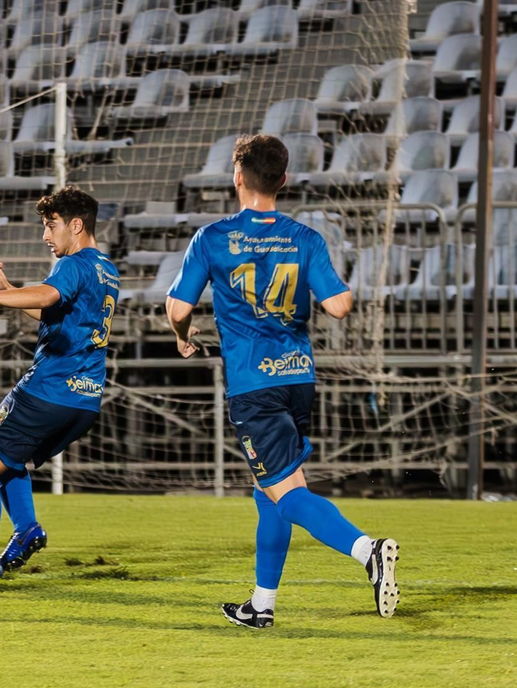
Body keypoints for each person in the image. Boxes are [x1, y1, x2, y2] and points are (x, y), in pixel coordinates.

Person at [165, 134, 400, 628]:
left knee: (285, 491)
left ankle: (368, 550)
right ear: (283, 180)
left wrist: (185, 337)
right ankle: (261, 604)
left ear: (237, 178)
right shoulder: (305, 237)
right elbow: (338, 305)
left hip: (253, 383)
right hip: (298, 378)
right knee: (268, 488)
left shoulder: (212, 238)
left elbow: (179, 307)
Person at [0, 186, 118, 576]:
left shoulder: (72, 265)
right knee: (12, 460)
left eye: (50, 225)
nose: (45, 235)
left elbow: (48, 294)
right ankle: (25, 531)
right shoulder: (107, 269)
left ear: (76, 225)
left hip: (49, 388)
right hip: (85, 401)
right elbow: (54, 313)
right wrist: (3, 286)